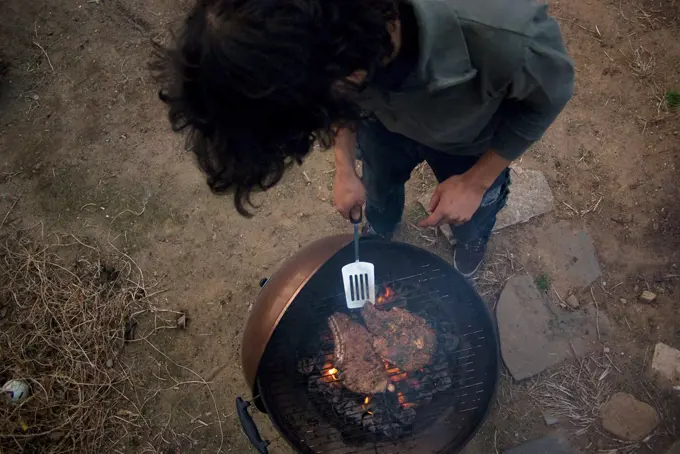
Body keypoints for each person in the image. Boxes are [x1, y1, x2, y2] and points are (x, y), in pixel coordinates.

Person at [153, 0, 574, 277]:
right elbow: (333, 101)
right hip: (381, 127)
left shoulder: (504, 35)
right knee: (379, 188)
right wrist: (343, 165)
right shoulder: (334, 40)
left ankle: (471, 241)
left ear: (347, 72)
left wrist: (476, 181)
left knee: (472, 215)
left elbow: (546, 101)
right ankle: (381, 229)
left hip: (469, 143)